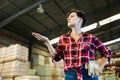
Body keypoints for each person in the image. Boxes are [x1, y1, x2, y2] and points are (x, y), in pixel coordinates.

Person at [32, 9, 111, 80]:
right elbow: (56, 57)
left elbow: (106, 53)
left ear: (80, 20)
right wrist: (47, 42)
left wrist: (99, 67)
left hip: (89, 75)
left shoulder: (91, 38)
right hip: (70, 76)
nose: (68, 18)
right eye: (68, 17)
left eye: (72, 16)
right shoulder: (63, 38)